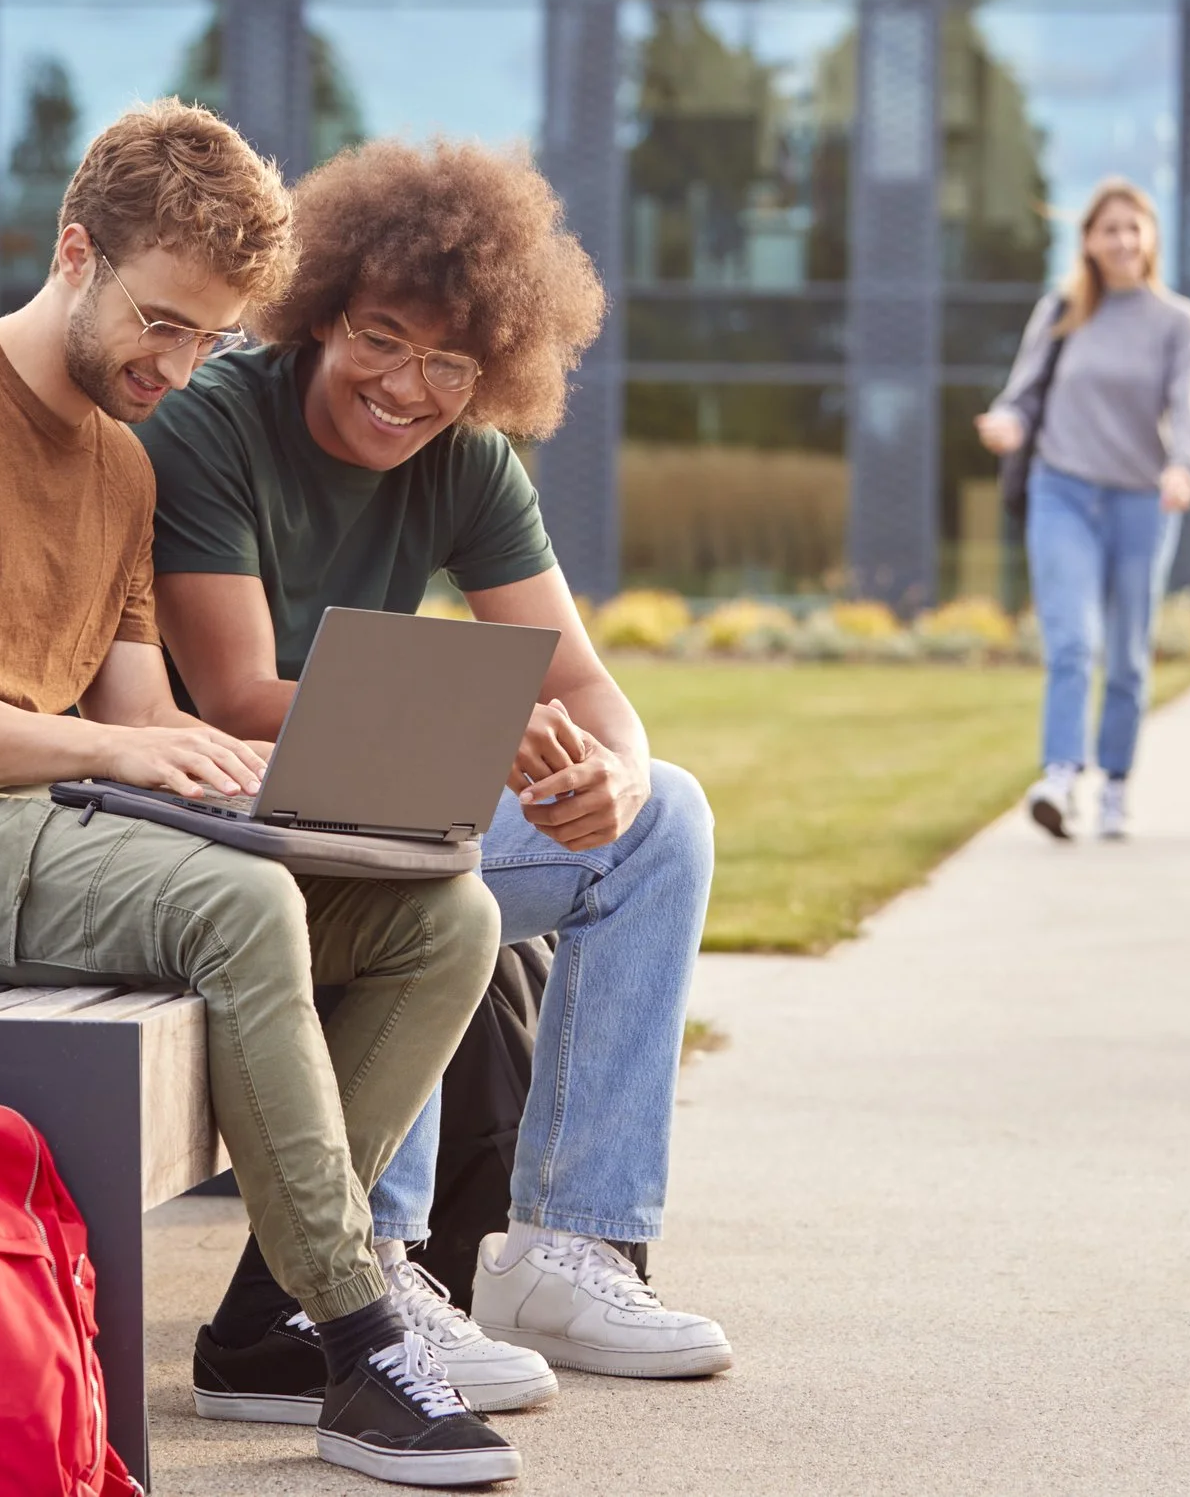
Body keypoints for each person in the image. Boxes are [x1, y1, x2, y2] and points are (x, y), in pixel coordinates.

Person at [0, 102, 519, 1486]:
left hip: (42, 830)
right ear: (75, 251)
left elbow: (140, 714)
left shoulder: (119, 459)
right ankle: (364, 1338)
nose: (179, 364)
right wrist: (128, 762)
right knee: (234, 902)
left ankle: (268, 1314)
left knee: (442, 913)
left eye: (212, 337)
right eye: (162, 321)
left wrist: (250, 781)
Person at [135, 138, 731, 1421]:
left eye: (451, 363)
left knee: (668, 816)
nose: (408, 387)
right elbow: (234, 693)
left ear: (496, 368)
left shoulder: (467, 457)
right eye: (382, 338)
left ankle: (573, 1249)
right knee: (424, 825)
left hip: (367, 804)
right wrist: (460, 733)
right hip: (208, 821)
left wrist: (611, 777)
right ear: (321, 309)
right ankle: (383, 1266)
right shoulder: (212, 424)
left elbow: (580, 683)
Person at [975, 177, 1190, 842]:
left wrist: (1182, 467)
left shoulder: (1178, 322)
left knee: (1130, 651)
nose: (1122, 240)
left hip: (1142, 498)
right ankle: (1059, 776)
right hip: (1064, 489)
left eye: (1134, 227)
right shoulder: (1061, 311)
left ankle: (1115, 783)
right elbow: (1021, 396)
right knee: (1074, 640)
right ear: (1088, 241)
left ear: (1151, 238)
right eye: (1109, 228)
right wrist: (1005, 424)